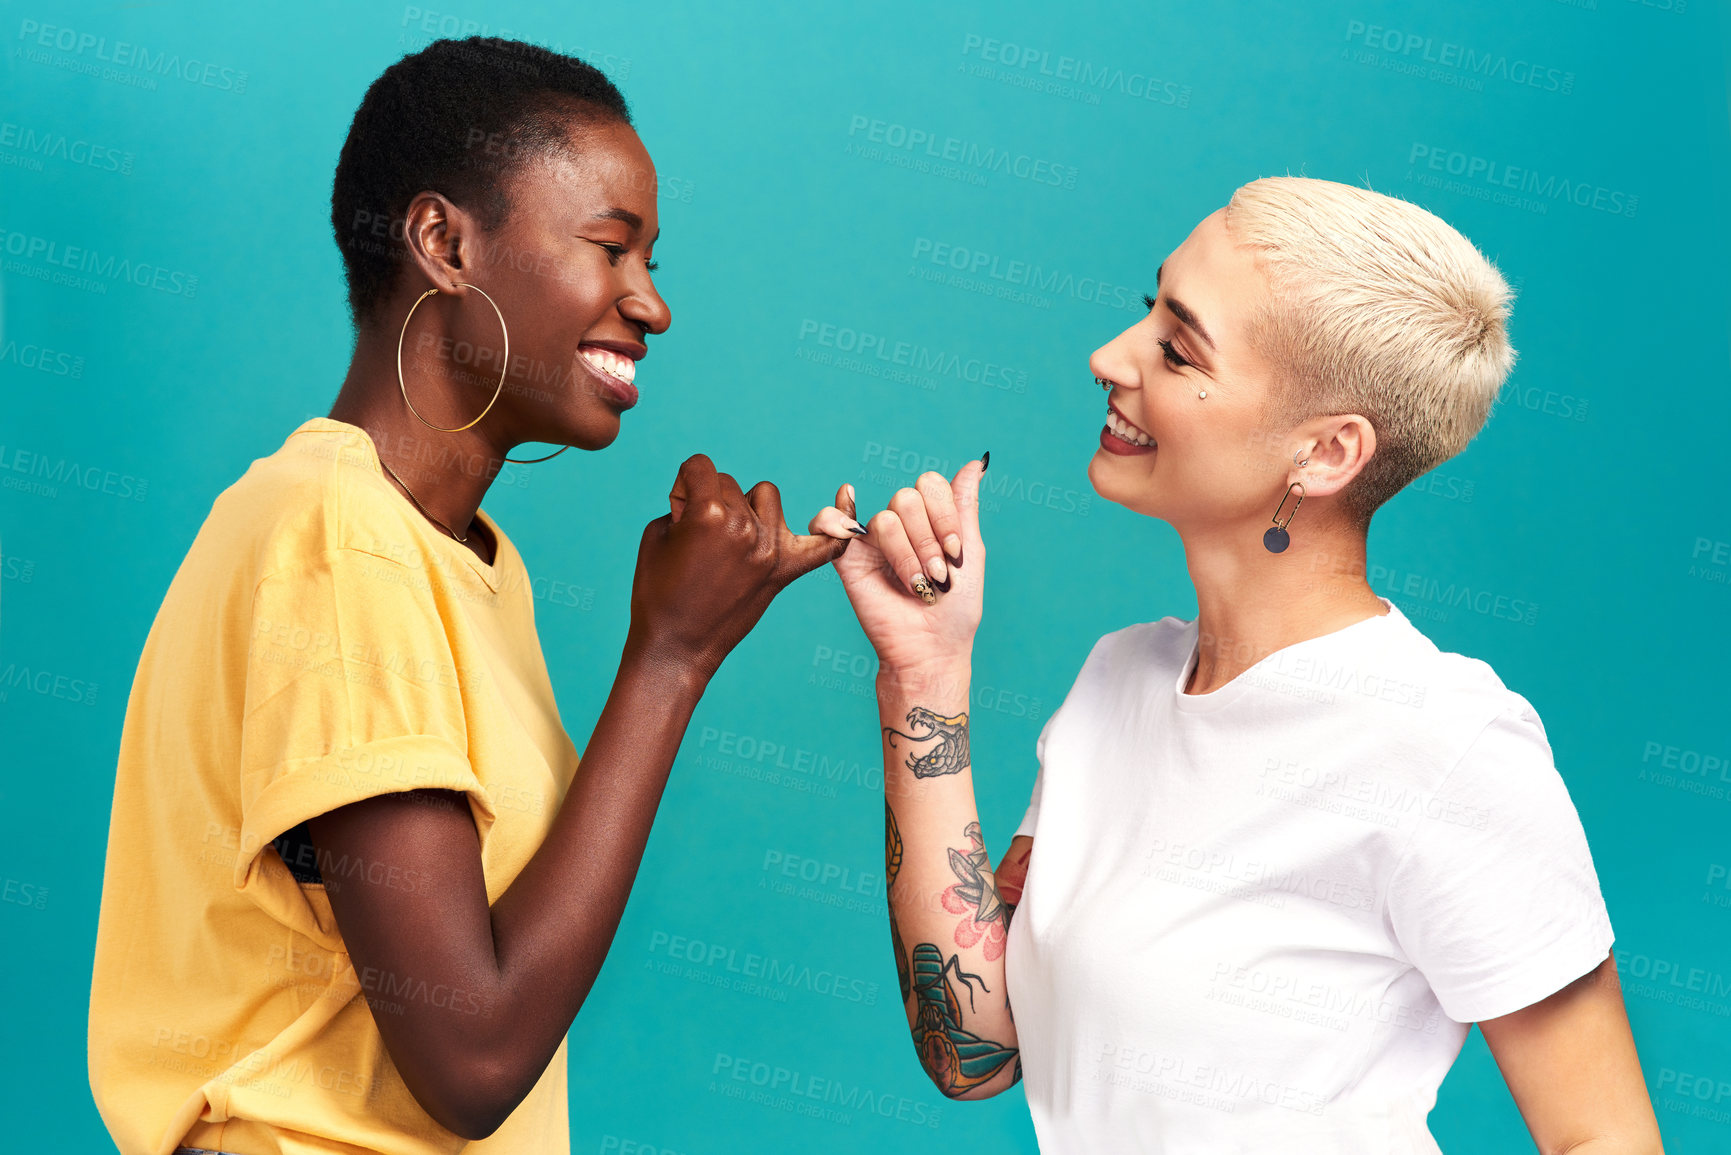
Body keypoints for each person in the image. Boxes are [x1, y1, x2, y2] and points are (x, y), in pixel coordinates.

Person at [87, 37, 854, 1155]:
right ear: (445, 243)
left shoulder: (457, 556)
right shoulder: (340, 542)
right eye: (611, 247)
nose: (652, 305)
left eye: (652, 259)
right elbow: (473, 1057)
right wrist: (672, 660)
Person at [812, 177, 1665, 1152]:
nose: (1109, 359)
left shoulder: (1448, 744)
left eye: (1177, 349)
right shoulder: (1116, 681)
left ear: (1326, 452)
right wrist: (923, 677)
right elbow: (979, 1047)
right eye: (1149, 312)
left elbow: (1604, 1138)